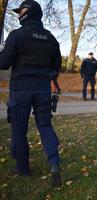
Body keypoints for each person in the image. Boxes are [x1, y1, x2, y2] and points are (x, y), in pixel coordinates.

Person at [0, 0, 62, 187]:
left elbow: (3, 63)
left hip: (21, 89)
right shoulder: (50, 38)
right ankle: (54, 164)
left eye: (21, 10)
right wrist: (45, 77)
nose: (19, 14)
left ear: (30, 12)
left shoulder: (17, 35)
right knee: (44, 125)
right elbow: (56, 66)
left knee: (19, 128)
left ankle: (23, 169)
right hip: (42, 89)